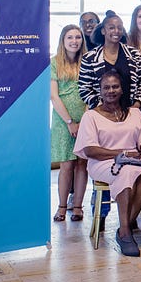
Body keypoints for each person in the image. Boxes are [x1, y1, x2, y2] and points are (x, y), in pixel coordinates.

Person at [73, 70, 141, 257]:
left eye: (115, 86)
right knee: (124, 173)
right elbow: (90, 150)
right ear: (100, 91)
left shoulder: (134, 113)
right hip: (102, 162)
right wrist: (121, 153)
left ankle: (123, 227)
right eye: (106, 87)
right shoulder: (91, 116)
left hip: (133, 161)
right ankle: (126, 233)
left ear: (122, 89)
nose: (111, 90)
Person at [51, 24, 88, 222]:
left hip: (86, 120)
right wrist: (69, 121)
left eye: (78, 37)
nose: (74, 41)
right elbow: (54, 97)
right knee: (66, 165)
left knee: (82, 164)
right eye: (70, 38)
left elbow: (95, 92)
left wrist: (84, 120)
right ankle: (62, 207)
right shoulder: (54, 63)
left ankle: (78, 207)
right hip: (62, 121)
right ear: (63, 41)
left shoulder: (88, 62)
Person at [78, 14, 141, 112]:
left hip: (132, 112)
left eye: (119, 28)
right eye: (111, 28)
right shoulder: (89, 58)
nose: (116, 31)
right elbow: (84, 89)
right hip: (101, 114)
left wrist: (135, 107)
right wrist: (102, 108)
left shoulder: (135, 55)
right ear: (103, 31)